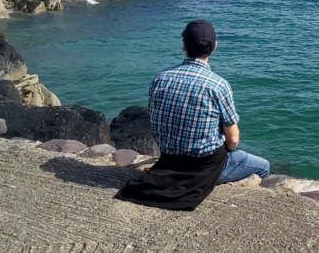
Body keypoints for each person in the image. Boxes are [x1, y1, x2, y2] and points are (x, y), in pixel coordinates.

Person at [116, 19, 270, 210]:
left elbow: (156, 121)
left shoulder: (160, 78)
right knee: (263, 167)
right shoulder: (218, 85)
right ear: (214, 47)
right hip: (203, 167)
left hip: (168, 159)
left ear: (184, 46)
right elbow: (233, 139)